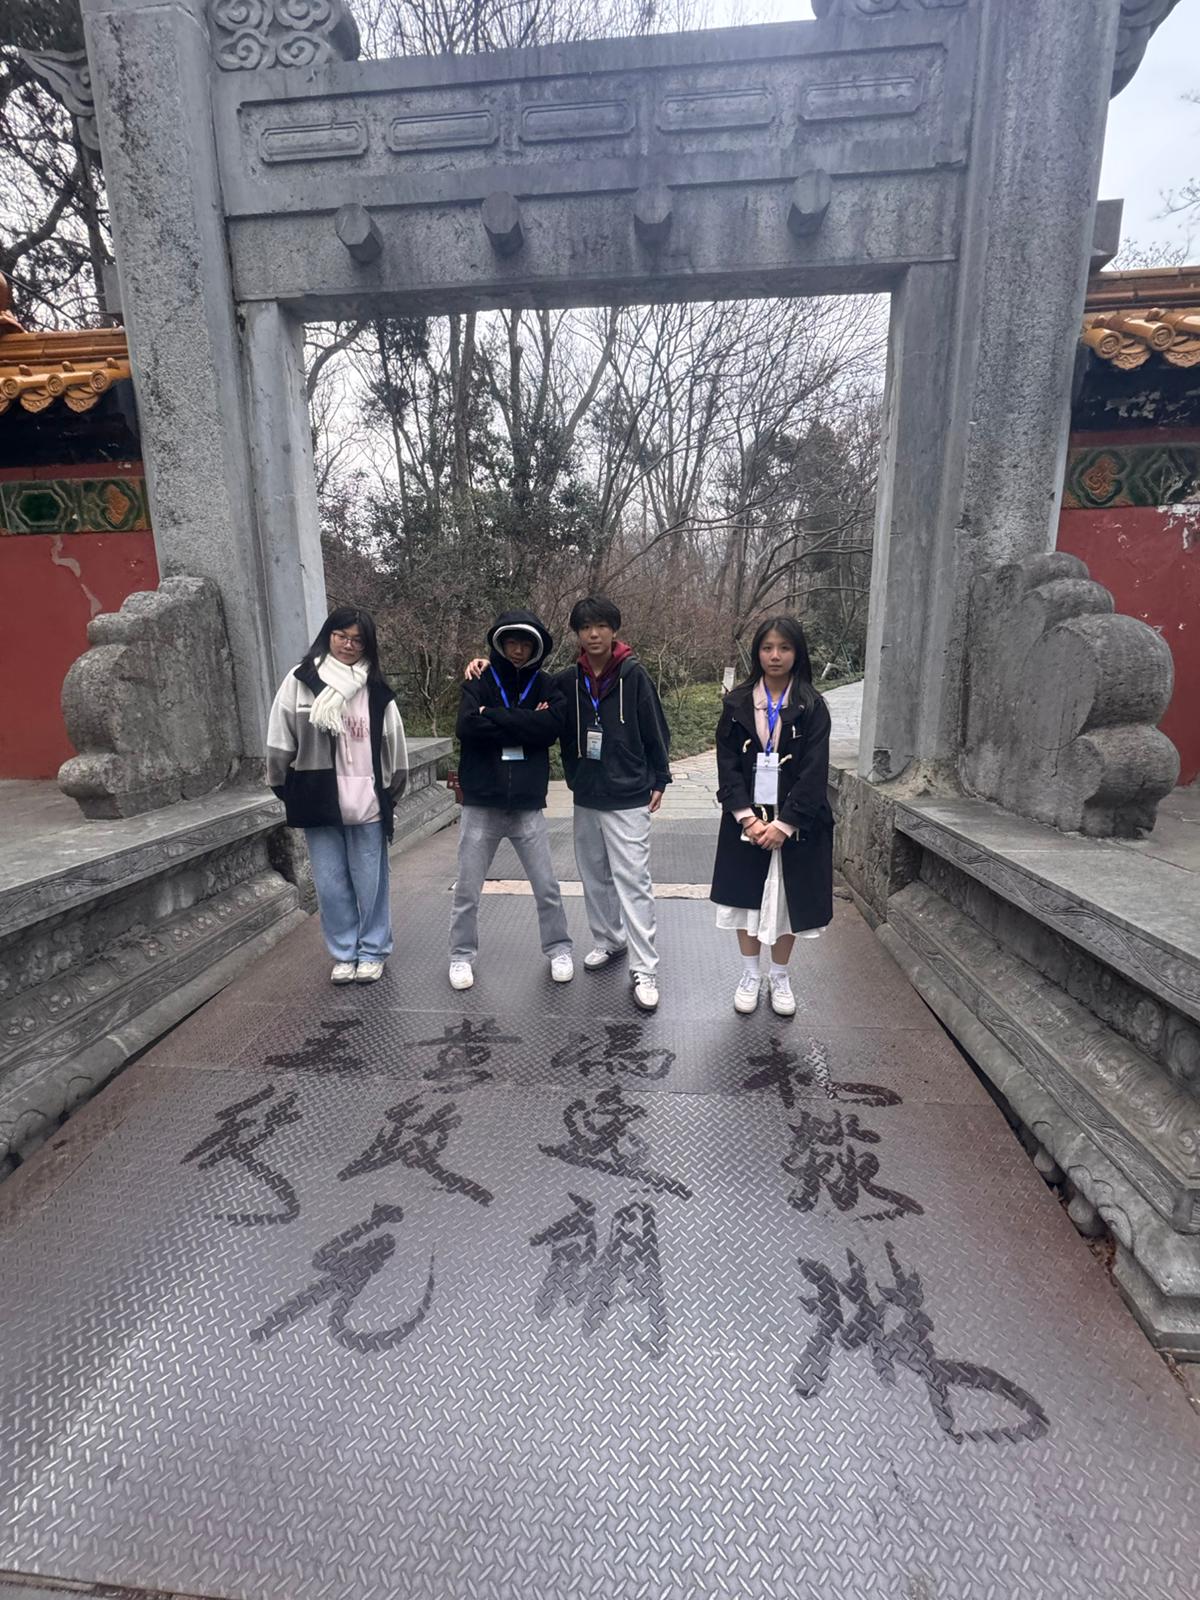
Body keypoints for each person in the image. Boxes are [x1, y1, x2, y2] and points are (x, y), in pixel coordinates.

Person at [463, 594, 671, 1012]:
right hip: (587, 791)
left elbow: (655, 727)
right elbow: (522, 688)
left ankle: (644, 967)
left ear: (614, 630)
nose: (593, 634)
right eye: (585, 627)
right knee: (594, 874)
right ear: (577, 634)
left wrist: (660, 776)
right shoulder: (566, 680)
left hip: (628, 792)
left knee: (633, 880)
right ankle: (608, 940)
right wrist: (482, 663)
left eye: (601, 626)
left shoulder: (633, 675)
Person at [266, 606, 408, 985]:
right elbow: (279, 740)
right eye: (341, 636)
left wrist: (389, 794)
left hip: (368, 802)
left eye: (358, 640)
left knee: (371, 884)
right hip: (318, 799)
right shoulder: (301, 681)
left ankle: (373, 950)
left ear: (368, 645)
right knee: (330, 884)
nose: (348, 645)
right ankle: (344, 952)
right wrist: (288, 789)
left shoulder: (375, 689)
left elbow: (394, 747)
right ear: (328, 635)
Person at [710, 614, 833, 1017]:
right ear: (757, 652)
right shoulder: (737, 703)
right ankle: (750, 974)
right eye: (767, 648)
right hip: (748, 819)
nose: (775, 655)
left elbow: (815, 771)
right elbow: (727, 764)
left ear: (797, 653)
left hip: (796, 823)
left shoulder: (812, 706)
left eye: (784, 647)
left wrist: (785, 824)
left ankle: (779, 975)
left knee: (786, 902)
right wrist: (747, 818)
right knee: (746, 899)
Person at [448, 610, 574, 991]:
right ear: (501, 644)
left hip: (526, 803)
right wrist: (524, 721)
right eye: (512, 642)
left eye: (526, 644)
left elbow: (550, 729)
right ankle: (460, 955)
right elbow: (467, 726)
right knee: (467, 888)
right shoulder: (480, 679)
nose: (518, 650)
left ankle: (559, 948)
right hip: (481, 802)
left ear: (536, 649)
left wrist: (492, 714)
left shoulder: (547, 685)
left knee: (546, 885)